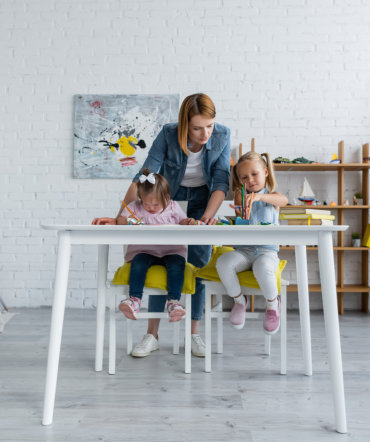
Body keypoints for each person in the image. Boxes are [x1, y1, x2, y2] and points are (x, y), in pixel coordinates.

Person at [93, 93, 231, 357]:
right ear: (184, 125)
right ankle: (152, 335)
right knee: (158, 252)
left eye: (209, 126)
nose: (205, 134)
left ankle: (194, 334)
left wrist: (206, 219)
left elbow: (221, 181)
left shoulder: (222, 136)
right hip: (166, 196)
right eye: (197, 128)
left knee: (199, 263)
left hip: (204, 198)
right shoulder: (168, 134)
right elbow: (145, 175)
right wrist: (120, 216)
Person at [93, 170, 193, 328]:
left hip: (171, 250)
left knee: (177, 266)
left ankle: (174, 302)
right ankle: (134, 300)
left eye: (155, 204)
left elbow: (183, 222)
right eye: (146, 203)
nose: (151, 208)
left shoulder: (173, 207)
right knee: (138, 263)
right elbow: (121, 220)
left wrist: (188, 222)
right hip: (144, 250)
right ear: (140, 199)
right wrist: (129, 220)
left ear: (166, 198)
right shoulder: (135, 207)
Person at [216, 151, 288, 334]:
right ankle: (239, 301)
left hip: (266, 252)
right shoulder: (241, 196)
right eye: (244, 178)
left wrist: (259, 197)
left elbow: (283, 200)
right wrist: (240, 210)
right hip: (244, 251)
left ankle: (273, 304)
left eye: (254, 174)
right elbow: (241, 213)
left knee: (262, 267)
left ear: (265, 172)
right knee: (223, 262)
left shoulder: (273, 197)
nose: (250, 180)